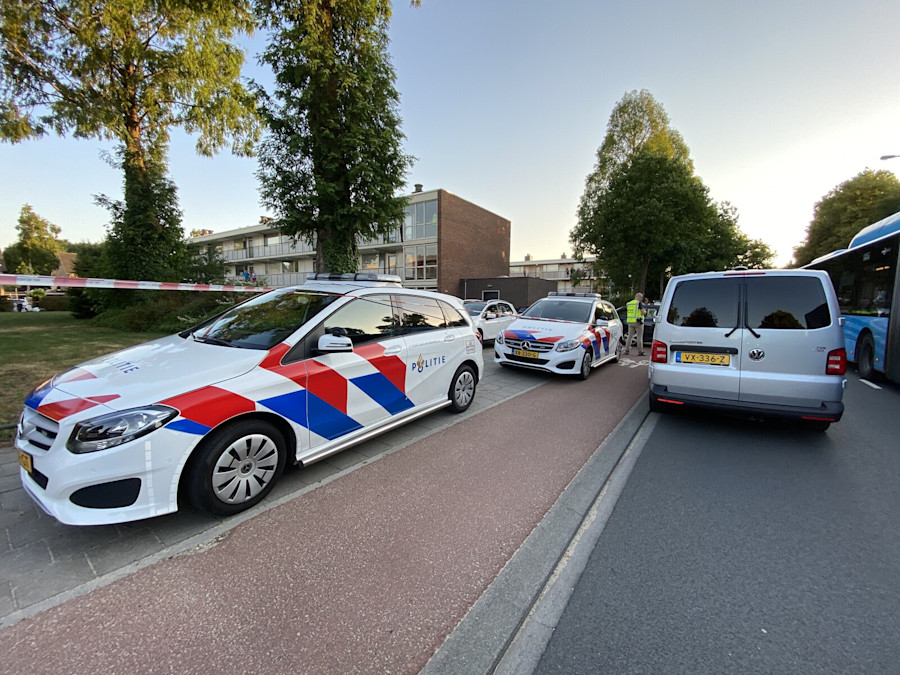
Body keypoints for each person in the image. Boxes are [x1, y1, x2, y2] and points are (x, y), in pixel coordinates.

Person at [624, 292, 646, 356]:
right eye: (641, 298)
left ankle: (626, 350)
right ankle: (640, 351)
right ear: (639, 297)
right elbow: (643, 312)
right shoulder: (639, 303)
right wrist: (645, 312)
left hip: (630, 322)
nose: (641, 299)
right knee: (639, 337)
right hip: (638, 322)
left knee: (629, 336)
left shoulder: (629, 303)